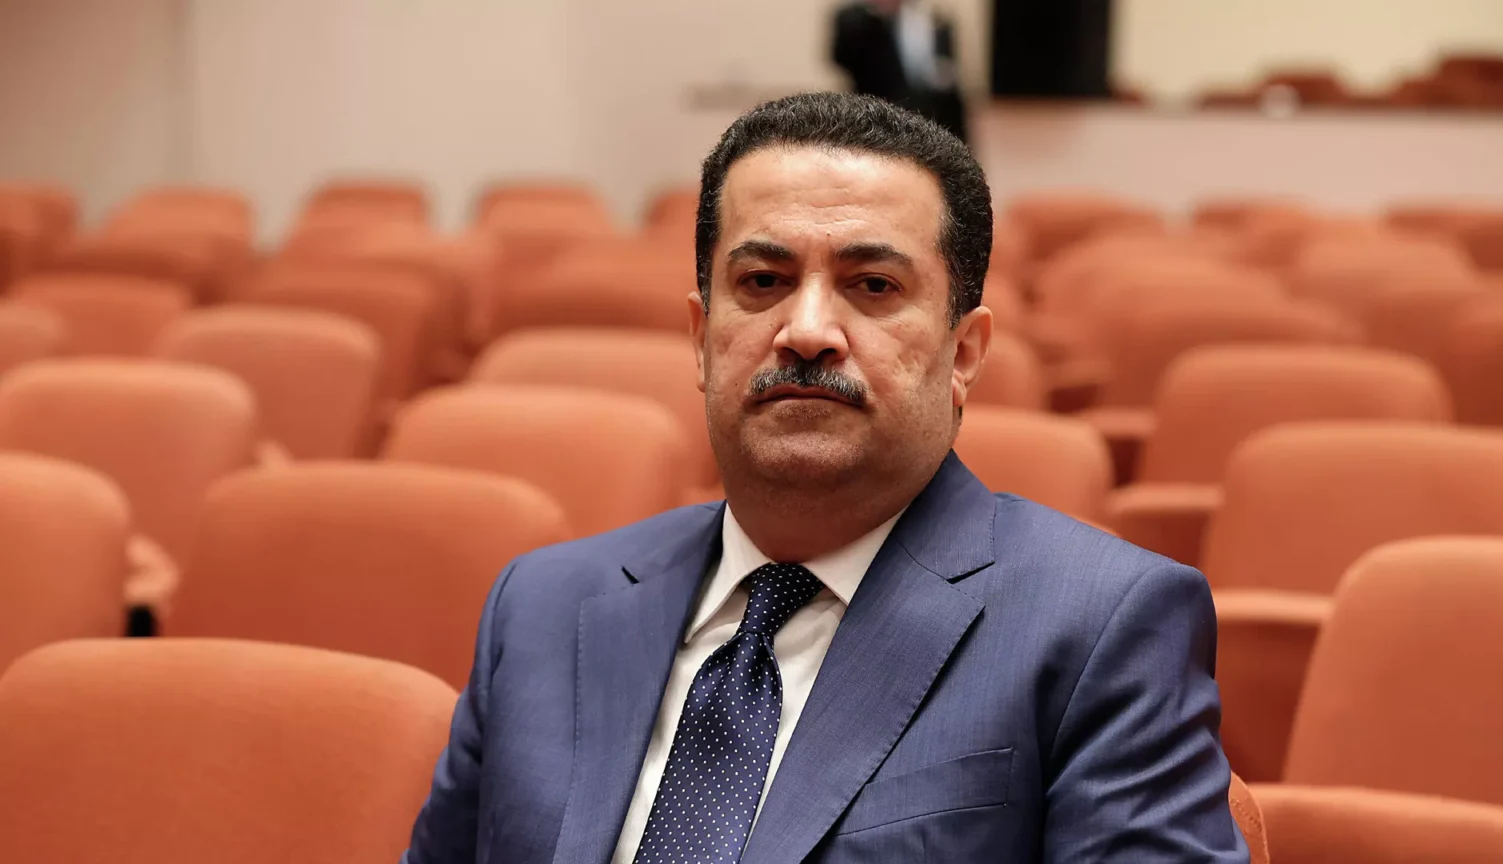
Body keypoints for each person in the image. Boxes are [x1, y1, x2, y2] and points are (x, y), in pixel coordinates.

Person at [402, 92, 1246, 863]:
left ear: (964, 354)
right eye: (762, 282)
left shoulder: (1102, 626)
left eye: (872, 285)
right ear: (701, 340)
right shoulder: (542, 607)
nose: (806, 331)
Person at [832, 0, 969, 143]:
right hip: (880, 109)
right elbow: (842, 57)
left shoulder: (930, 19)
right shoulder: (859, 20)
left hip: (930, 109)